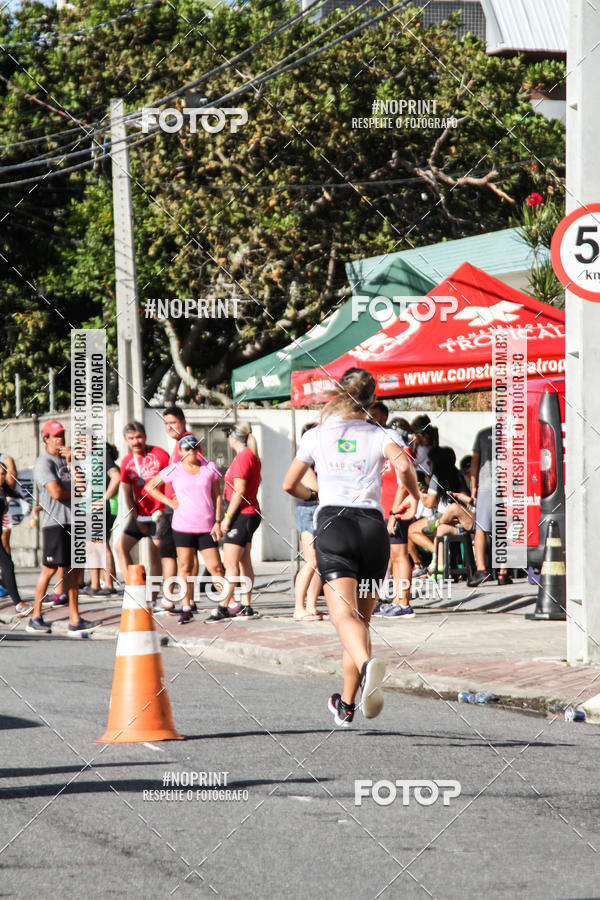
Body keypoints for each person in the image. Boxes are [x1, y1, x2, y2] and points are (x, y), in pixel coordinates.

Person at [283, 368, 419, 727]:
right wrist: (414, 497)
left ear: (338, 394)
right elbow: (403, 464)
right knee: (360, 622)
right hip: (373, 531)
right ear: (373, 399)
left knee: (342, 617)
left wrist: (316, 494)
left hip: (334, 525)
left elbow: (289, 484)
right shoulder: (381, 433)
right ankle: (346, 704)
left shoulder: (316, 434)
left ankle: (367, 666)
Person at [146, 434, 224, 624]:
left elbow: (218, 496)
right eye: (186, 448)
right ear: (180, 451)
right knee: (185, 567)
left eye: (194, 447)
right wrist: (170, 502)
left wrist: (218, 521)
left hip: (206, 526)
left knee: (216, 567)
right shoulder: (175, 469)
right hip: (183, 526)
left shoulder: (209, 467)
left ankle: (227, 604)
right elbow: (150, 486)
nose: (191, 451)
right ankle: (186, 607)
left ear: (199, 449)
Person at [27, 421, 96, 634]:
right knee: (49, 570)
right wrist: (76, 493)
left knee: (74, 571)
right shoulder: (44, 463)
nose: (60, 439)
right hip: (54, 523)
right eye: (55, 435)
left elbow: (83, 487)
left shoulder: (66, 460)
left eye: (62, 435)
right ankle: (36, 616)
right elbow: (56, 493)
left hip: (74, 521)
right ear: (45, 438)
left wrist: (72, 462)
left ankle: (75, 618)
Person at [206, 422, 262, 622]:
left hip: (242, 513)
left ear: (233, 437)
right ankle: (246, 606)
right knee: (243, 561)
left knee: (230, 563)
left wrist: (226, 519)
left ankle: (223, 607)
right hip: (248, 513)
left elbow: (239, 491)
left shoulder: (243, 457)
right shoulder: (250, 456)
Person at [115, 421, 170, 585]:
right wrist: (136, 517)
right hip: (140, 514)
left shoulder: (160, 454)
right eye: (131, 438)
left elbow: (170, 483)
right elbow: (127, 492)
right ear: (126, 440)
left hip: (159, 513)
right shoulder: (126, 462)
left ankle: (153, 596)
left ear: (145, 437)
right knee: (120, 548)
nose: (136, 441)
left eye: (139, 437)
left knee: (154, 553)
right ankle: (133, 586)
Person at [408, 446, 469, 577]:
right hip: (458, 519)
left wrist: (419, 494)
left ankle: (433, 557)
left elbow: (429, 504)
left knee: (411, 530)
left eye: (430, 462)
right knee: (438, 530)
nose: (429, 465)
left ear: (436, 462)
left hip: (442, 516)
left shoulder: (435, 478)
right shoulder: (458, 475)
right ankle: (437, 563)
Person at [468, 426, 512, 587]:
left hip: (486, 486)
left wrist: (474, 486)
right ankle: (503, 573)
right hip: (507, 486)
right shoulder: (514, 432)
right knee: (504, 527)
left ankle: (482, 570)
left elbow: (475, 461)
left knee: (480, 528)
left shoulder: (483, 434)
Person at [77, 435, 121, 596]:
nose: (85, 443)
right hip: (85, 508)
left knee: (101, 545)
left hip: (99, 508)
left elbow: (116, 477)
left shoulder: (102, 455)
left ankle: (109, 584)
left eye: (88, 440)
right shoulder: (81, 460)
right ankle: (94, 585)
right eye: (81, 440)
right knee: (89, 546)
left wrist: (104, 498)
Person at [293, 423, 322, 621]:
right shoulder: (304, 464)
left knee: (318, 563)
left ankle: (311, 606)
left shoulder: (317, 463)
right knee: (310, 560)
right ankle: (298, 607)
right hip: (308, 513)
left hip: (318, 512)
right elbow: (317, 489)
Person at [0, 462, 31, 617]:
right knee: (8, 565)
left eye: (3, 474)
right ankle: (18, 603)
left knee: (7, 566)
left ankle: (17, 602)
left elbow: (16, 495)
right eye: (0, 474)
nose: (2, 477)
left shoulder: (2, 490)